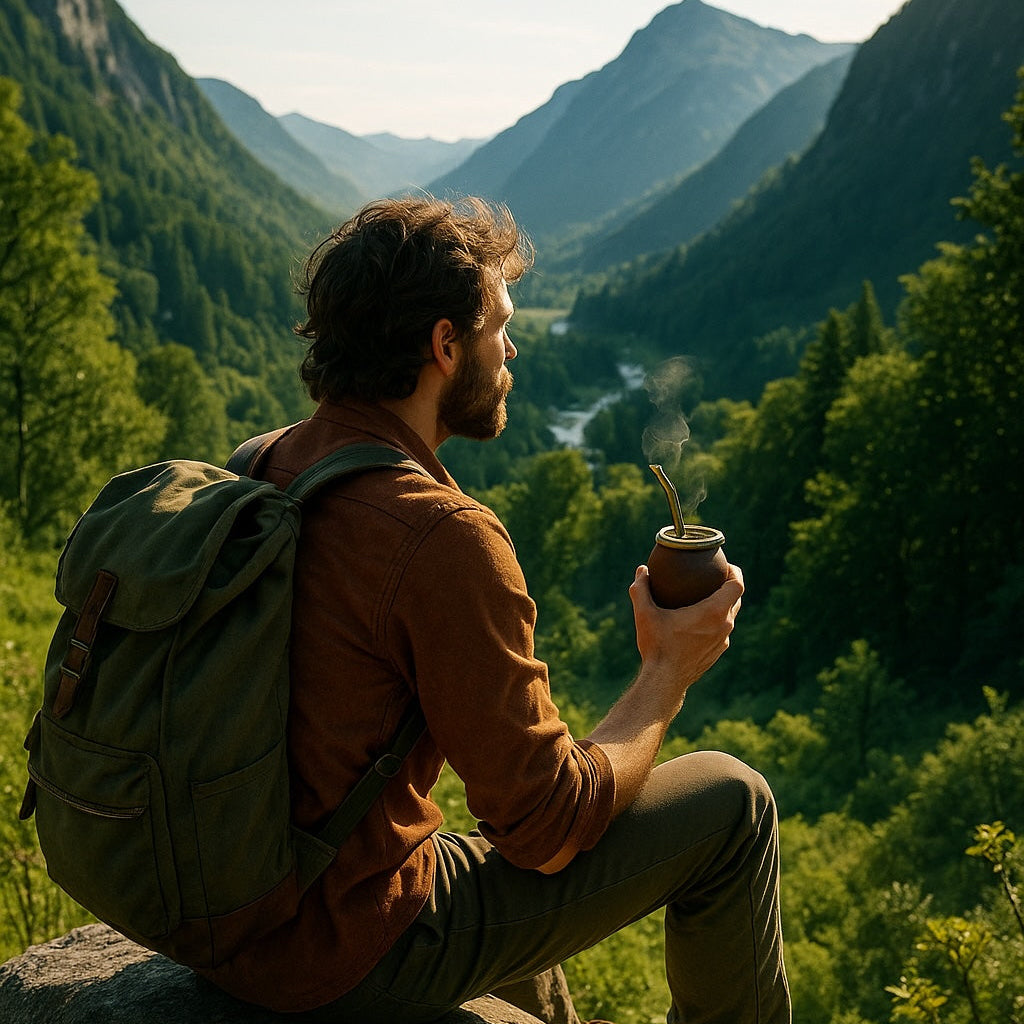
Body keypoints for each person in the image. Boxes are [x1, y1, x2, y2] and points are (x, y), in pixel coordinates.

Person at [204, 196, 790, 1024]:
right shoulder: (440, 536)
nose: (510, 350)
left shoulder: (263, 463)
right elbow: (546, 830)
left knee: (469, 877)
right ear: (446, 346)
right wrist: (667, 670)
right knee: (734, 800)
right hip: (337, 955)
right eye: (499, 329)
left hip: (241, 909)